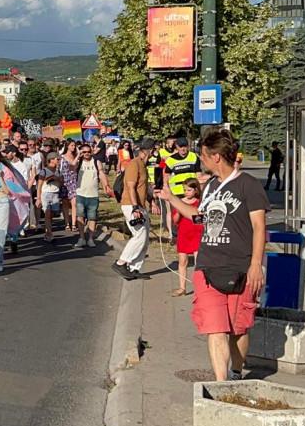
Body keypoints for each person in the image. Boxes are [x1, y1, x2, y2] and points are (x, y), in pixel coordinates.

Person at [158, 129, 268, 382]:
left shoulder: (248, 186)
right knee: (215, 328)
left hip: (240, 266)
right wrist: (171, 199)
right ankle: (221, 384)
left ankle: (237, 372)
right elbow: (199, 217)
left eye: (204, 156)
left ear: (216, 156)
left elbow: (259, 227)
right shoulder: (210, 187)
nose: (201, 160)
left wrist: (255, 265)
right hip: (207, 266)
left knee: (238, 329)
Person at [114, 138, 154, 279]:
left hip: (140, 205)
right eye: (152, 150)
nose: (154, 153)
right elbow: (131, 187)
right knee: (139, 235)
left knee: (145, 237)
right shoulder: (134, 164)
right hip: (131, 204)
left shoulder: (144, 165)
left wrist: (151, 200)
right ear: (146, 151)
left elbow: (143, 187)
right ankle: (121, 263)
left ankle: (134, 268)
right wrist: (135, 207)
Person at [169, 177, 204, 296]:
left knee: (198, 261)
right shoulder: (180, 202)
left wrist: (194, 211)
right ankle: (182, 287)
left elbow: (201, 220)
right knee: (182, 261)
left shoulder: (199, 202)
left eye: (189, 190)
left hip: (197, 233)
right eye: (184, 190)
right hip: (184, 234)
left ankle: (200, 287)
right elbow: (175, 220)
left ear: (195, 190)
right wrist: (179, 211)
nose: (186, 192)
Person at [71, 143, 109, 249]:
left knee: (92, 218)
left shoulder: (96, 162)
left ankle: (91, 239)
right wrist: (78, 155)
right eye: (84, 152)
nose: (87, 154)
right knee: (80, 217)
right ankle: (82, 238)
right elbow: (72, 166)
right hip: (80, 194)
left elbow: (101, 174)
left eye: (88, 152)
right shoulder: (79, 162)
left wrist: (106, 186)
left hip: (93, 195)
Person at [38, 152, 62, 243]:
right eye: (57, 159)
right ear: (51, 160)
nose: (59, 161)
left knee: (52, 214)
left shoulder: (58, 170)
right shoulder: (44, 171)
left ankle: (47, 230)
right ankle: (50, 233)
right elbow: (39, 185)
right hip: (46, 194)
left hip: (55, 193)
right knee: (47, 214)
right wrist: (39, 197)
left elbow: (61, 182)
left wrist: (58, 178)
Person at [60, 140, 79, 234]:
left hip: (73, 181)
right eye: (72, 145)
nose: (74, 147)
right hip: (64, 181)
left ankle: (74, 224)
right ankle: (67, 223)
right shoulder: (62, 157)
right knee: (65, 204)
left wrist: (78, 155)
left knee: (74, 203)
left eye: (74, 145)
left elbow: (74, 167)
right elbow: (71, 165)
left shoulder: (76, 157)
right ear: (67, 146)